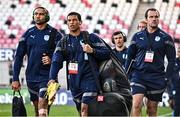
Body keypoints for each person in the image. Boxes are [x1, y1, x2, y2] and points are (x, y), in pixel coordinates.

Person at [48, 12, 110, 117]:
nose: (71, 22)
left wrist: (92, 51)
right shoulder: (63, 42)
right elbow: (56, 61)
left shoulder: (91, 37)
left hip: (90, 79)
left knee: (85, 108)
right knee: (81, 111)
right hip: (74, 81)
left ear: (80, 22)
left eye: (74, 20)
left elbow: (107, 53)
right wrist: (52, 78)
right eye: (69, 20)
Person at [11, 6, 62, 117]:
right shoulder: (27, 34)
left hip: (48, 78)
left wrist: (52, 59)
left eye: (41, 14)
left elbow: (64, 55)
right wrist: (15, 78)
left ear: (47, 16)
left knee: (42, 107)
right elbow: (19, 56)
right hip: (31, 77)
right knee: (38, 110)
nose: (38, 16)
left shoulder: (55, 34)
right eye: (36, 14)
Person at [125, 8, 176, 116]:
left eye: (156, 17)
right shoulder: (137, 36)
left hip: (156, 77)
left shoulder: (166, 38)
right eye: (151, 17)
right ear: (146, 19)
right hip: (139, 75)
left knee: (151, 109)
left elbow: (171, 60)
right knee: (136, 104)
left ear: (159, 19)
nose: (154, 19)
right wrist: (127, 74)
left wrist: (167, 78)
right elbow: (129, 57)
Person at [169, 47, 180, 116]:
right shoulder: (173, 63)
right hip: (176, 90)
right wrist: (170, 95)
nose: (179, 53)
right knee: (176, 110)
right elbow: (169, 78)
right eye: (178, 51)